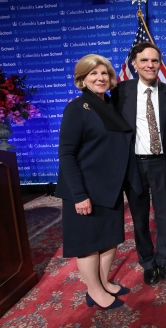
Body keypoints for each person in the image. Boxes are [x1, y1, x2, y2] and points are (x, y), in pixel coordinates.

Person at [56, 54, 141, 309]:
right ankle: (94, 291)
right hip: (86, 191)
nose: (100, 78)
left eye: (104, 73)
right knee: (89, 245)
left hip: (110, 189)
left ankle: (103, 282)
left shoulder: (109, 106)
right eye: (93, 74)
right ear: (82, 79)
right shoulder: (76, 109)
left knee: (108, 239)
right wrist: (79, 195)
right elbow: (66, 154)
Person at [110, 42, 166, 286]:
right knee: (139, 218)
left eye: (154, 61)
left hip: (163, 163)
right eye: (144, 60)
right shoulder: (120, 91)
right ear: (134, 64)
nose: (150, 65)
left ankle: (163, 258)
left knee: (163, 215)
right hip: (134, 165)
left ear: (160, 64)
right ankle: (147, 262)